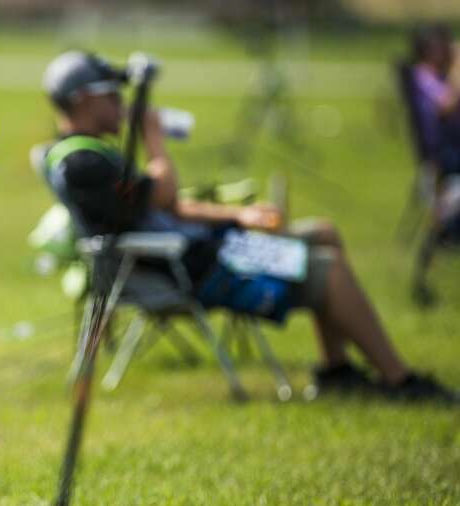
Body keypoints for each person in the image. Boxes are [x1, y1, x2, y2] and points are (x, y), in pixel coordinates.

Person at [41, 50, 457, 403]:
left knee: (323, 233)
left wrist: (236, 216)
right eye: (110, 95)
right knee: (326, 269)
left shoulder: (95, 155)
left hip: (201, 247)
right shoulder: (81, 163)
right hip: (190, 267)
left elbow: (163, 207)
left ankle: (338, 371)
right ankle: (399, 380)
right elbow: (164, 194)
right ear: (79, 101)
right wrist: (154, 138)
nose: (121, 103)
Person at [410, 25, 460, 177]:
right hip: (443, 150)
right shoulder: (422, 75)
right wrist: (456, 70)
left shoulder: (439, 75)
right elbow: (446, 105)